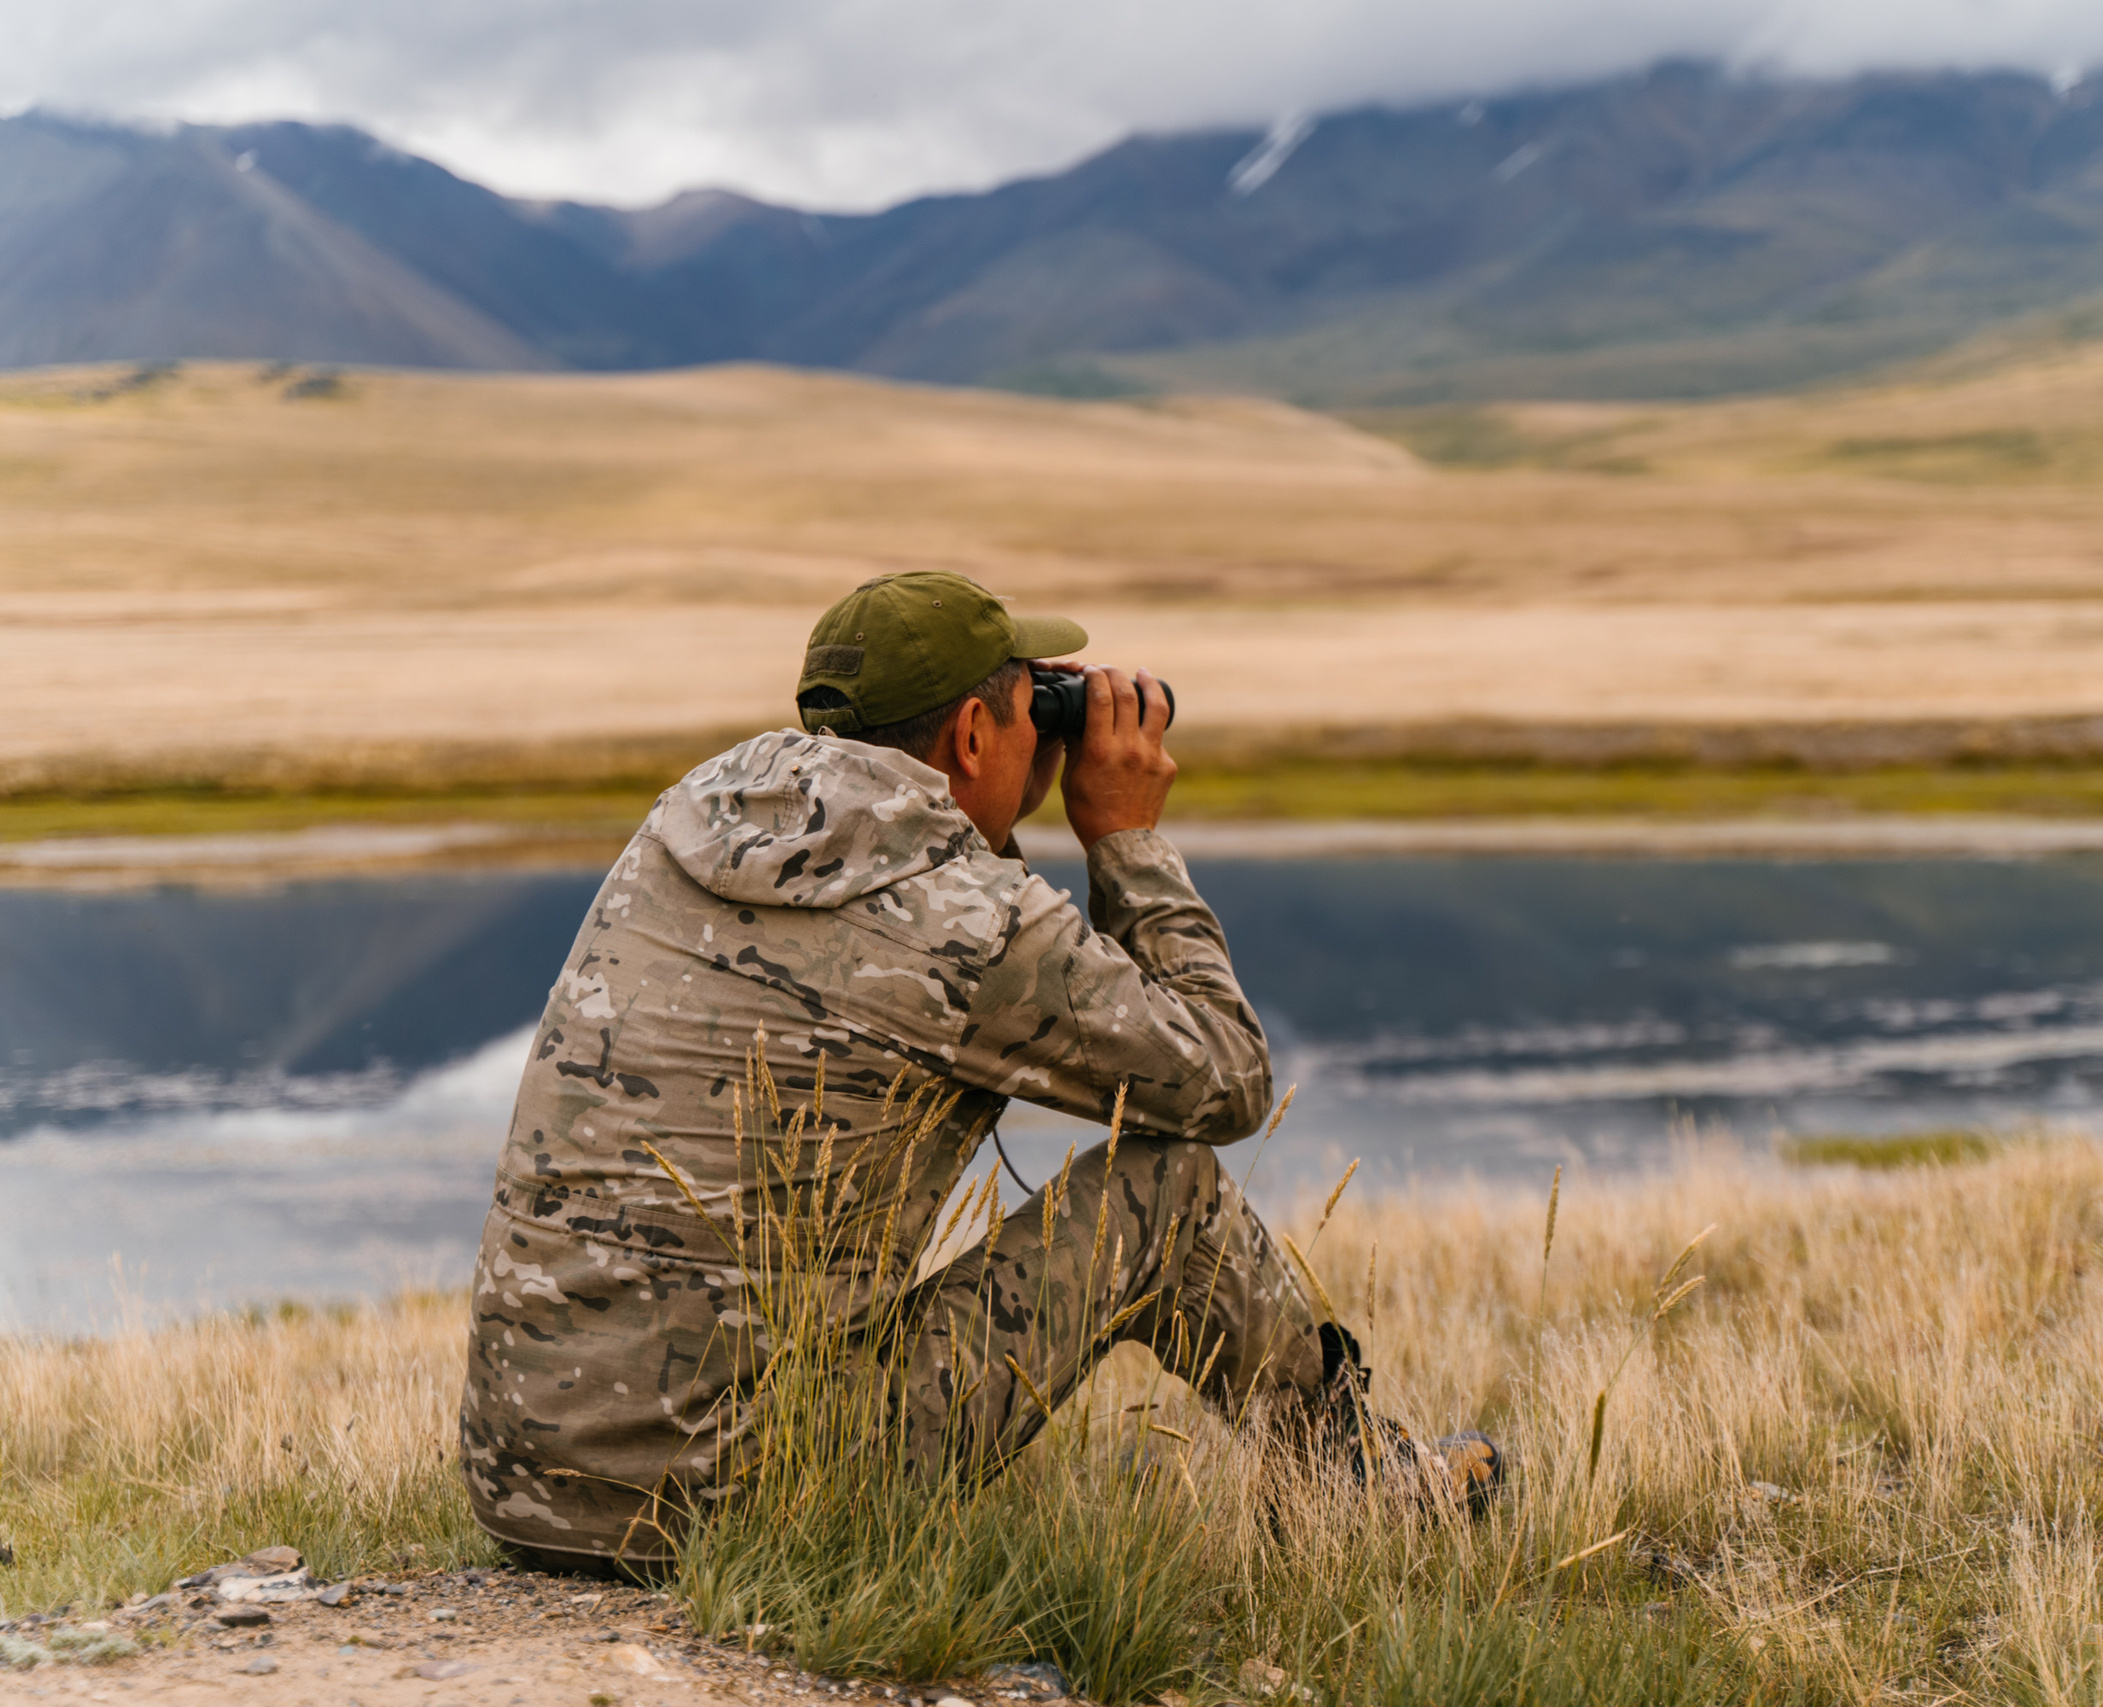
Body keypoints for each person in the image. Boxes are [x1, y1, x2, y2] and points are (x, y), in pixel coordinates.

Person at [458, 570, 1498, 1572]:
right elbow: (1222, 1082)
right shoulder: (967, 923)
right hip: (746, 1507)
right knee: (1166, 1188)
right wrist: (1124, 843)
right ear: (968, 731)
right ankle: (1357, 1490)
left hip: (522, 1489)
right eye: (1030, 709)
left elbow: (902, 930)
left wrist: (994, 816)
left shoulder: (679, 829)